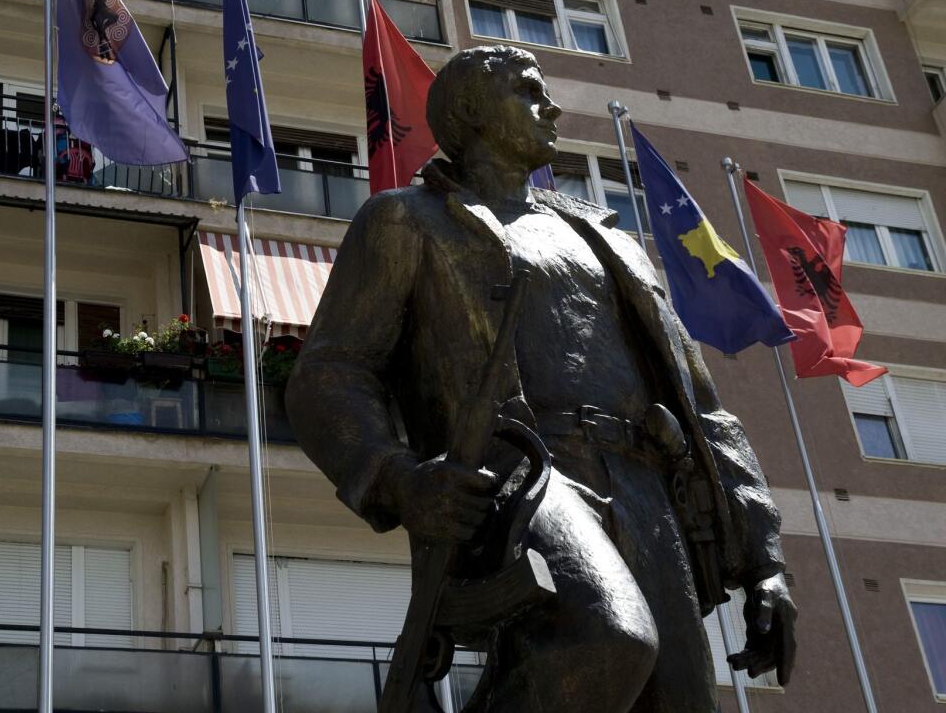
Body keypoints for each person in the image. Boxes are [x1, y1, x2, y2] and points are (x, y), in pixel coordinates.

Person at [286, 45, 796, 712]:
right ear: (470, 111)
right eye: (528, 92)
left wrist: (765, 560)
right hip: (520, 476)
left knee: (682, 702)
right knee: (607, 634)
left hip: (648, 490)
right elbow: (329, 372)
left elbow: (703, 408)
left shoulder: (609, 240)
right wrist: (395, 476)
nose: (550, 106)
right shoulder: (406, 220)